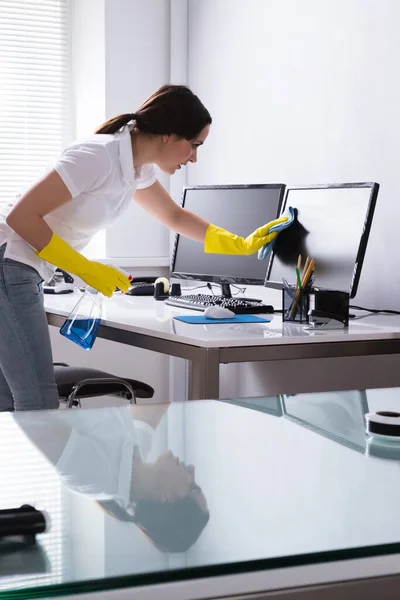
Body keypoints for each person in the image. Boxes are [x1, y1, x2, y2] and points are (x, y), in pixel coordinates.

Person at [0, 84, 287, 411]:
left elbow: (173, 216)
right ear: (168, 134)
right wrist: (86, 269)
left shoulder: (136, 169)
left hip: (18, 268)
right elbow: (21, 217)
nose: (194, 157)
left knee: (8, 398)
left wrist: (239, 244)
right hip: (9, 263)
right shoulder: (98, 156)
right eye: (194, 145)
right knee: (36, 400)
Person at [15, 403, 210, 553]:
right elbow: (164, 393)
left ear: (168, 498)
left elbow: (29, 413)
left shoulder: (95, 477)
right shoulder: (137, 451)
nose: (192, 470)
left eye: (193, 485)